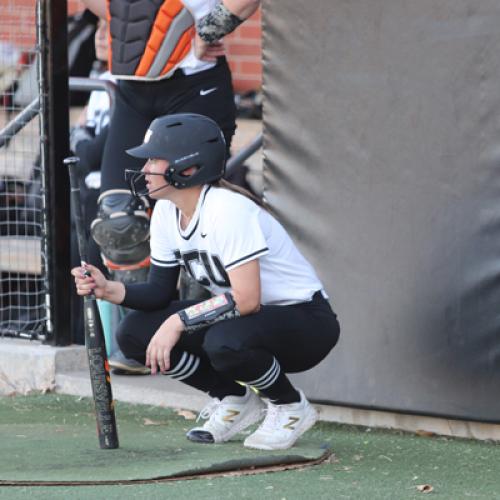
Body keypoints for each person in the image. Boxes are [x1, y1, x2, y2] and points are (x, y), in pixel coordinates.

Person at [72, 113, 340, 451]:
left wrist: (178, 322)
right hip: (246, 318)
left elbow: (246, 300)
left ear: (188, 167)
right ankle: (234, 399)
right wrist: (107, 289)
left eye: (155, 159)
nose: (144, 169)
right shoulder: (168, 212)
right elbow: (158, 292)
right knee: (134, 333)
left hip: (305, 322)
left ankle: (290, 407)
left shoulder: (228, 210)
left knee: (223, 340)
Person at [80, 0, 261, 281]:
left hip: (194, 83)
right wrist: (133, 23)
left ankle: (198, 318)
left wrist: (209, 30)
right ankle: (134, 323)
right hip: (133, 89)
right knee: (118, 223)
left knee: (198, 218)